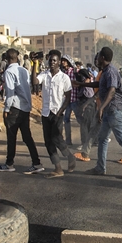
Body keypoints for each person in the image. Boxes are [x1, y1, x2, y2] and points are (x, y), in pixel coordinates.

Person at [74, 47, 122, 180]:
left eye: (98, 56)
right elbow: (99, 84)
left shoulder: (110, 71)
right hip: (108, 111)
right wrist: (81, 84)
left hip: (114, 110)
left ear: (103, 58)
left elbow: (111, 91)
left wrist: (100, 108)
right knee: (103, 139)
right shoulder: (105, 71)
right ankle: (100, 167)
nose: (96, 58)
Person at [0, 48, 44, 174]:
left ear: (6, 58)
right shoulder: (24, 70)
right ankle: (37, 163)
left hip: (15, 107)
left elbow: (10, 92)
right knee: (27, 137)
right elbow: (28, 88)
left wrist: (6, 109)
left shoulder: (9, 72)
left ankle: (9, 163)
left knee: (11, 136)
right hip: (25, 107)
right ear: (18, 58)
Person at [38, 50, 76, 178]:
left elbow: (68, 97)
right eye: (50, 60)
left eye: (54, 60)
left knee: (57, 138)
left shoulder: (64, 78)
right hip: (45, 112)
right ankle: (58, 168)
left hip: (57, 113)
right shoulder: (44, 75)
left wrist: (61, 111)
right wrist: (33, 64)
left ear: (59, 62)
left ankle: (70, 157)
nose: (52, 62)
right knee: (48, 141)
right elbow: (34, 81)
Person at [72, 67, 97, 162]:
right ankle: (92, 142)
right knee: (88, 124)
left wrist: (84, 106)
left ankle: (84, 144)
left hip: (88, 105)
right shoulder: (86, 83)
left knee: (84, 125)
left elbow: (90, 96)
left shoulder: (86, 85)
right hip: (88, 105)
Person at [59, 54, 77, 148]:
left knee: (80, 120)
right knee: (66, 119)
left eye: (64, 61)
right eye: (62, 61)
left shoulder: (74, 71)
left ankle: (85, 140)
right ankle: (68, 140)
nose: (62, 62)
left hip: (75, 99)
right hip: (67, 100)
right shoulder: (63, 73)